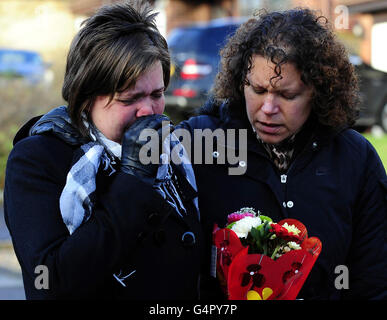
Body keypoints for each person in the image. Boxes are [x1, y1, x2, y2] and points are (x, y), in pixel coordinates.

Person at [180, 8, 387, 299]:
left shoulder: (355, 158)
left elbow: (374, 279)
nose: (268, 108)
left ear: (319, 91)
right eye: (258, 89)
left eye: (287, 95)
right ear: (241, 82)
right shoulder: (198, 144)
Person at [4, 1, 203, 300]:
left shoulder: (173, 150)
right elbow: (48, 282)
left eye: (157, 94)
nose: (148, 111)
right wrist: (133, 180)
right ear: (85, 98)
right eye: (129, 99)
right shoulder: (39, 160)